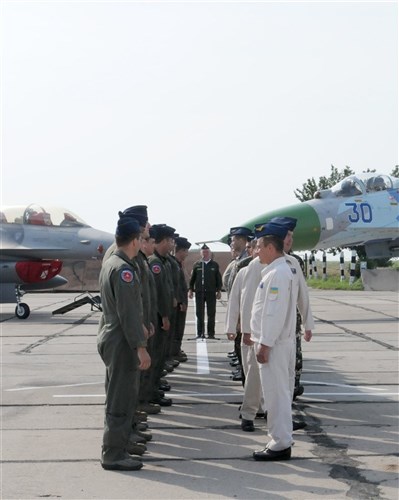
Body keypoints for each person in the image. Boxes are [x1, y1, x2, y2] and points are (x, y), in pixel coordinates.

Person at [97, 216, 151, 471]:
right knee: (120, 398)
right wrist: (140, 347)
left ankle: (120, 444)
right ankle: (113, 454)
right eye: (141, 238)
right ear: (134, 241)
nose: (142, 242)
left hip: (113, 337)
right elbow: (128, 314)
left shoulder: (112, 263)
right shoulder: (124, 270)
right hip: (121, 342)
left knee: (119, 395)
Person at [250, 221, 297, 461]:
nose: (256, 251)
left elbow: (273, 313)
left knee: (276, 394)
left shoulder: (277, 274)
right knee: (277, 394)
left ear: (270, 247)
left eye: (259, 246)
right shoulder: (276, 271)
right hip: (276, 344)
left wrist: (265, 343)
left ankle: (280, 443)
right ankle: (280, 438)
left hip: (275, 345)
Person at [270, 216, 314, 400]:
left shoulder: (294, 263)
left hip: (290, 330)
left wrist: (308, 323)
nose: (289, 240)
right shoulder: (261, 263)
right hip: (269, 331)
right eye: (286, 235)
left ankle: (285, 414)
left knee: (289, 372)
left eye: (291, 236)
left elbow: (302, 295)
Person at [188, 244, 222, 339]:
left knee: (211, 313)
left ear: (210, 253)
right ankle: (200, 333)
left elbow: (218, 279)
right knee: (200, 313)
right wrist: (190, 289)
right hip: (199, 292)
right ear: (201, 253)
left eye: (207, 252)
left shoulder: (214, 265)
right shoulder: (197, 264)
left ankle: (211, 334)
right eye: (203, 252)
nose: (205, 254)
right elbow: (193, 279)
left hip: (211, 292)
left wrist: (219, 290)